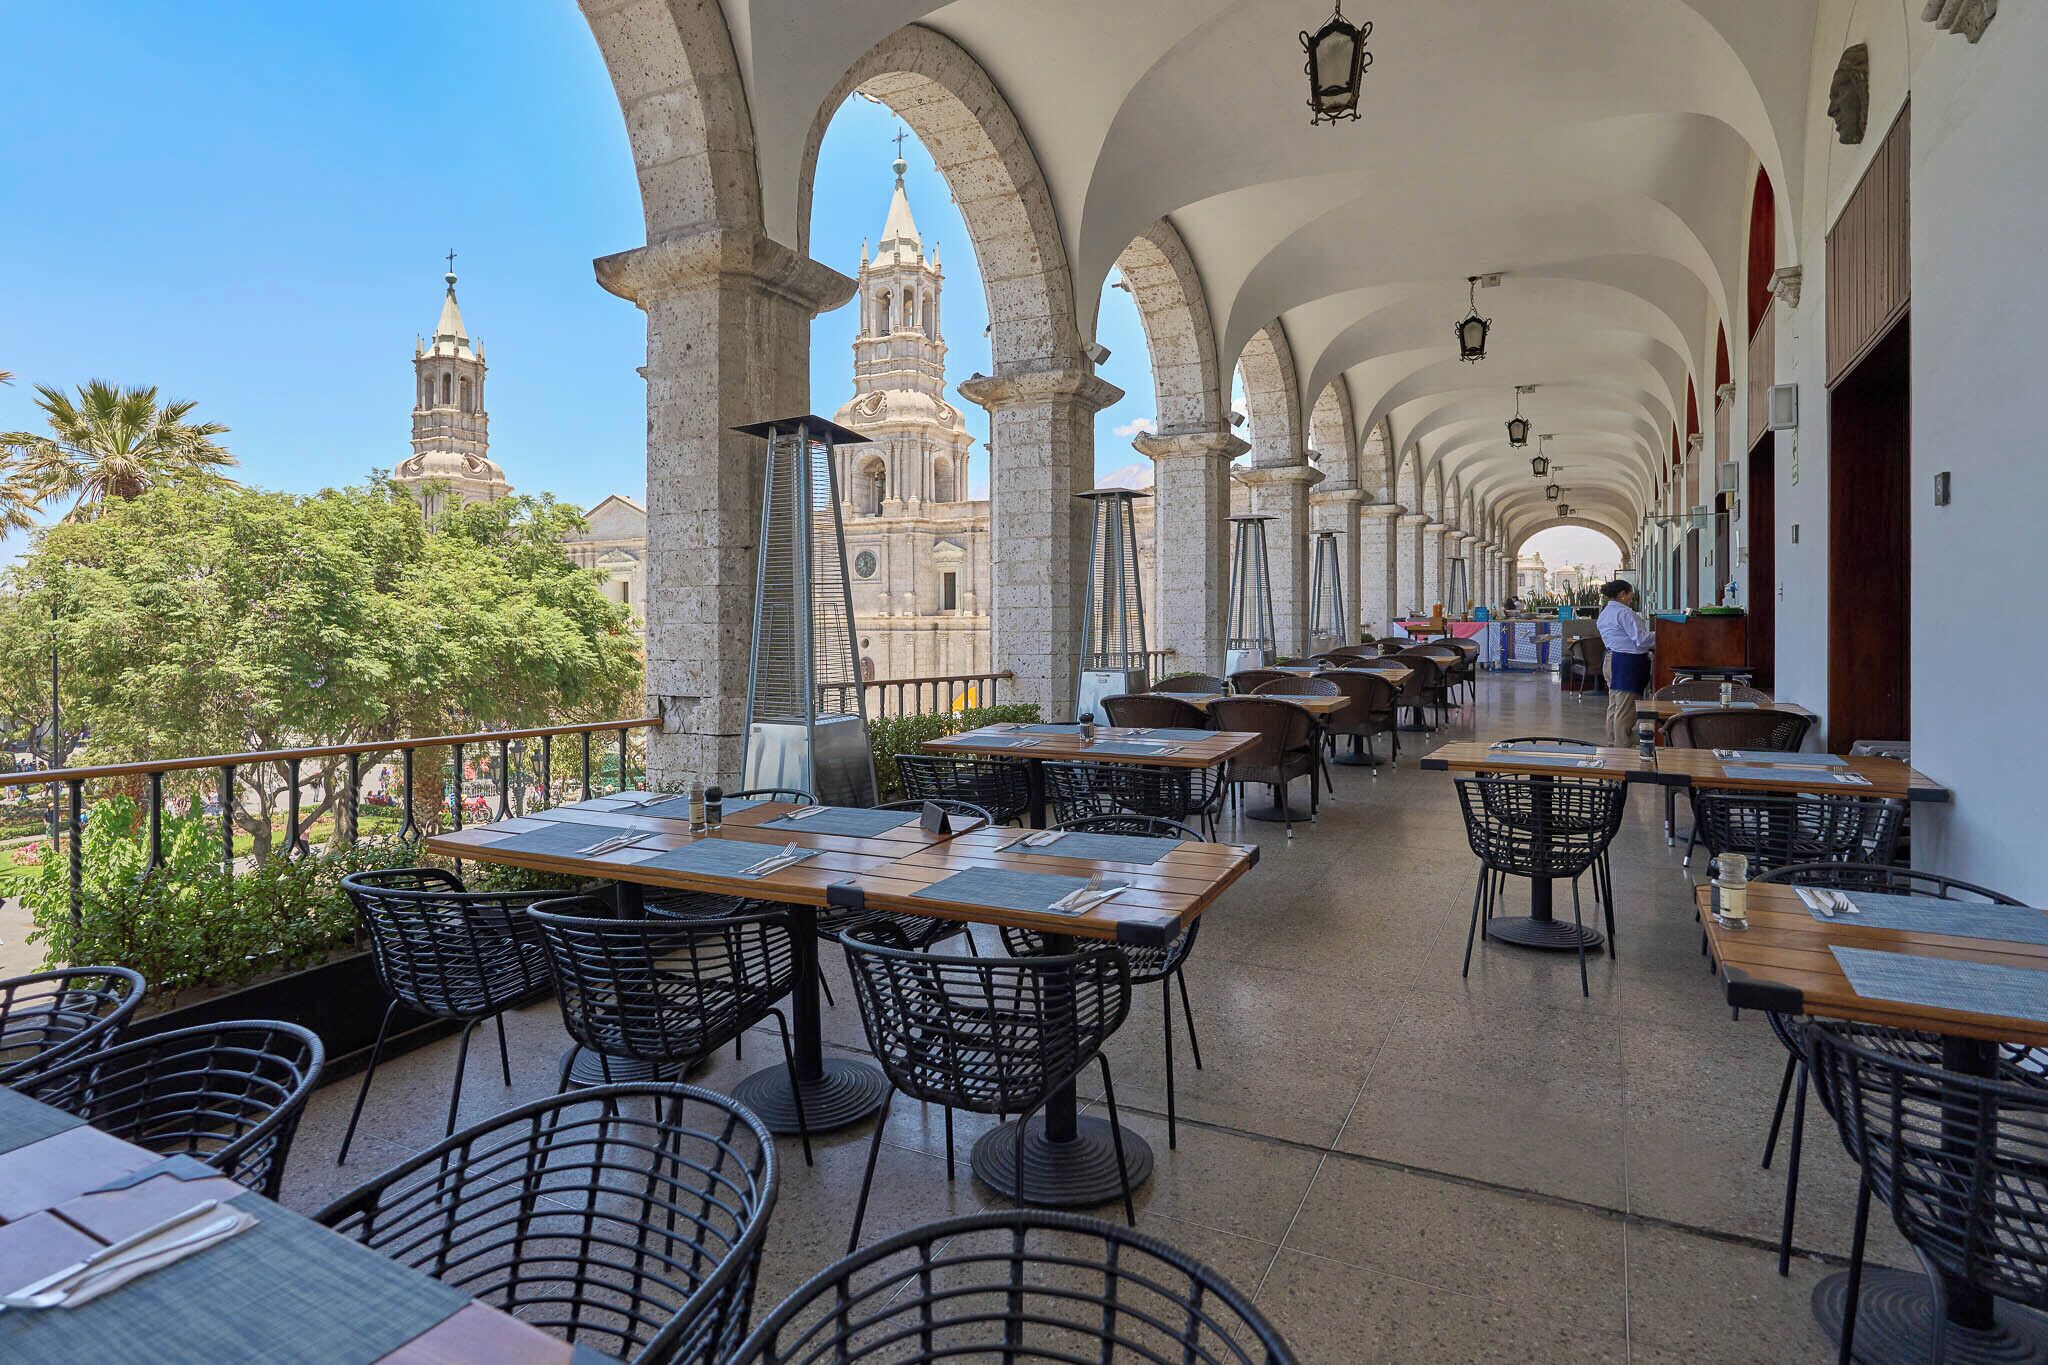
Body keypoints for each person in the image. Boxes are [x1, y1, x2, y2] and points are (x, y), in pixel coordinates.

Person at [1597, 579, 1653, 746]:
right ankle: (1623, 751)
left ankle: (1612, 744)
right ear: (1622, 594)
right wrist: (1662, 635)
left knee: (1614, 706)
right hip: (1626, 662)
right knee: (1625, 710)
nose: (1631, 599)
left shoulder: (1605, 613)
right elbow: (1641, 640)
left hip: (1610, 659)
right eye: (1630, 595)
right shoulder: (1625, 613)